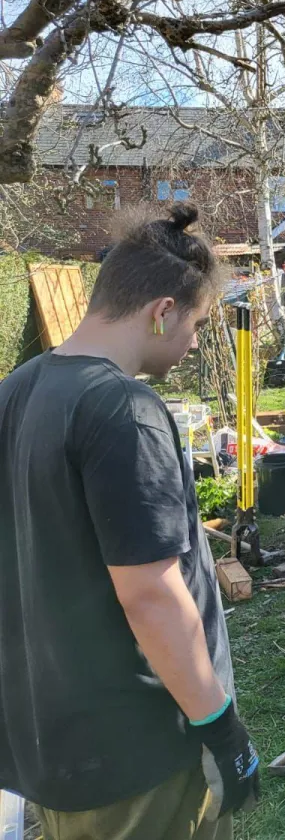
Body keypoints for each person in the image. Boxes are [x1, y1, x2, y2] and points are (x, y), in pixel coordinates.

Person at [0, 203, 260, 840]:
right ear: (162, 311)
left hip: (53, 742)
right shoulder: (122, 408)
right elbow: (150, 594)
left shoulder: (15, 392)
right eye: (196, 324)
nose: (194, 343)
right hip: (140, 756)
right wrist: (220, 728)